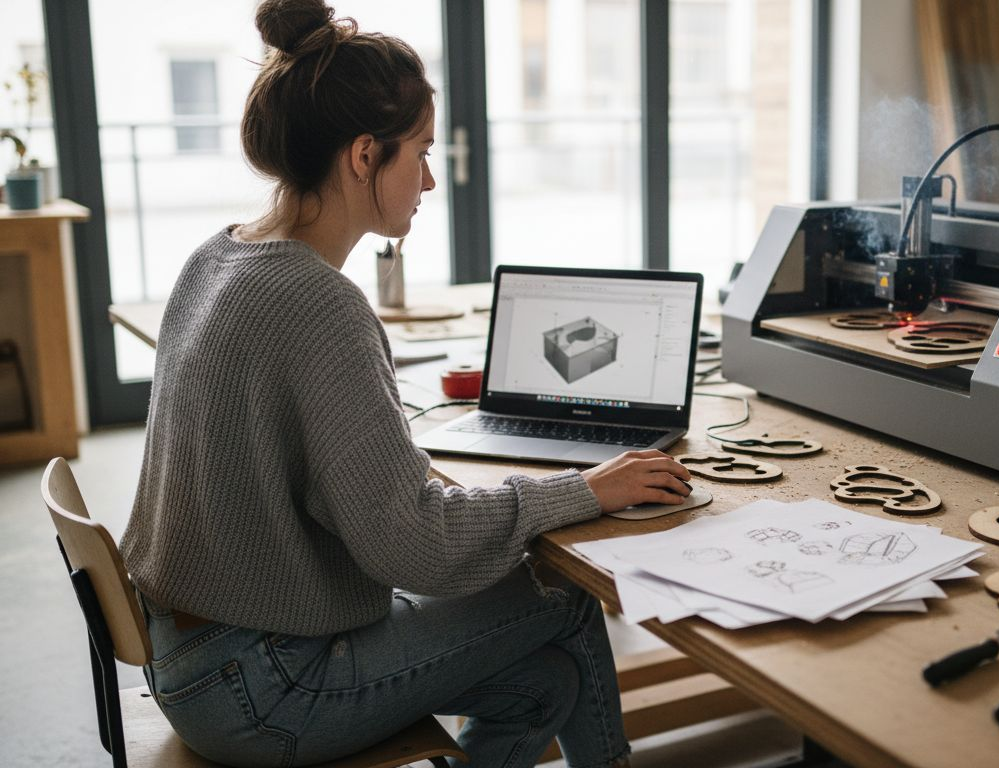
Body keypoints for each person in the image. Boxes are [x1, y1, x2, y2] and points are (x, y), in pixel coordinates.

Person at [118, 2, 693, 766]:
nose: (428, 178)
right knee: (562, 597)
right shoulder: (320, 303)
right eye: (418, 152)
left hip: (192, 653)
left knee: (543, 680)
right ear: (363, 156)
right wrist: (586, 490)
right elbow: (414, 546)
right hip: (262, 685)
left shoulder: (217, 255)